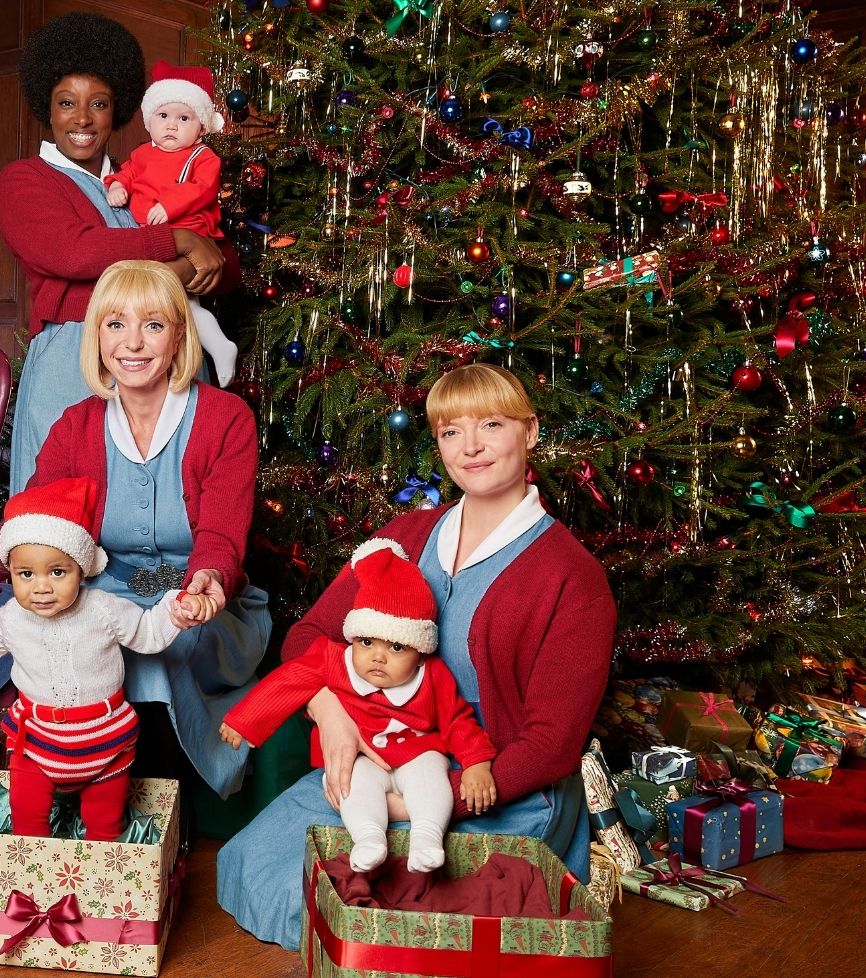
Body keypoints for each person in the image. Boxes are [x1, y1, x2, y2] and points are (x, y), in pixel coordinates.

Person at [215, 363, 616, 949]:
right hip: (373, 761)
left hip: (494, 785)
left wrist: (419, 802)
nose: (471, 447)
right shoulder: (403, 538)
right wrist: (332, 715)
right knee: (261, 865)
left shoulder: (572, 578)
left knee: (402, 913)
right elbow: (308, 637)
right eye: (451, 432)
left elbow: (551, 745)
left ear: (530, 433)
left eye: (492, 425)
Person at [0, 259, 270, 804]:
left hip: (203, 600)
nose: (132, 343)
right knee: (82, 631)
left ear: (180, 335)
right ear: (96, 336)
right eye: (115, 324)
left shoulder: (226, 419)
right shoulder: (76, 426)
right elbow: (26, 526)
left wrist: (208, 579)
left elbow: (222, 535)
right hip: (105, 591)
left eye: (153, 325)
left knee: (159, 650)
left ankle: (157, 824)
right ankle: (78, 806)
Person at [0, 11, 241, 494]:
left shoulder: (139, 179)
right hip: (72, 364)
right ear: (47, 108)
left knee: (168, 508)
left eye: (99, 104)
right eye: (67, 103)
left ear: (120, 111)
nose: (82, 119)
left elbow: (224, 262)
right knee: (64, 514)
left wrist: (195, 251)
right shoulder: (25, 179)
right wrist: (176, 244)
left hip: (165, 361)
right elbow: (71, 251)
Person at [0, 477, 211, 841]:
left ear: (81, 570)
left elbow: (147, 634)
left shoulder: (103, 609)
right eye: (25, 574)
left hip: (104, 741)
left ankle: (97, 883)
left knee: (104, 823)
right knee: (28, 818)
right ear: (10, 573)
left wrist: (176, 611)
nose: (41, 587)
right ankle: (35, 877)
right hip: (36, 740)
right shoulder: (10, 617)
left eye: (57, 572)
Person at [219, 539, 497, 874]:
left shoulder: (432, 675)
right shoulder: (334, 659)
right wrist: (244, 721)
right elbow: (289, 681)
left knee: (431, 778)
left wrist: (476, 763)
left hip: (417, 750)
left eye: (396, 647)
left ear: (421, 653)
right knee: (350, 784)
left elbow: (457, 720)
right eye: (367, 642)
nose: (378, 657)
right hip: (362, 757)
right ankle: (368, 838)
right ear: (353, 638)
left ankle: (427, 837)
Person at [103, 60, 238, 383]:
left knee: (170, 292)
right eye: (163, 116)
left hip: (190, 230)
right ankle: (211, 347)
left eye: (184, 118)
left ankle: (214, 347)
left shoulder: (203, 156)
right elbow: (128, 174)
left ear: (201, 127)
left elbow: (202, 188)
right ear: (149, 121)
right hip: (154, 234)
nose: (172, 126)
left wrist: (169, 205)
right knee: (174, 302)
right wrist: (118, 186)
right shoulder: (142, 155)